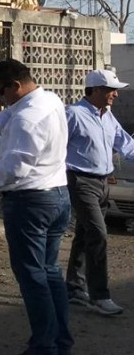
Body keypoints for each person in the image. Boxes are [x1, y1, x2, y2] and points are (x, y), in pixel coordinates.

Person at [0, 59, 72, 355]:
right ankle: (60, 341)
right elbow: (9, 113)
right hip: (57, 194)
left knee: (32, 276)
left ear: (15, 85)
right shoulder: (49, 99)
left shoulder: (27, 120)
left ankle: (44, 345)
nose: (0, 98)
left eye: (0, 92)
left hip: (29, 201)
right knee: (49, 271)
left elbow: (16, 167)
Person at [64, 69, 134, 316]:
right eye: (110, 90)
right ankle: (100, 296)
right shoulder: (73, 114)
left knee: (85, 235)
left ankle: (73, 288)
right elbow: (56, 145)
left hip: (104, 183)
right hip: (81, 181)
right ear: (94, 91)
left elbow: (125, 144)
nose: (115, 94)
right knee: (98, 235)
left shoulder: (108, 116)